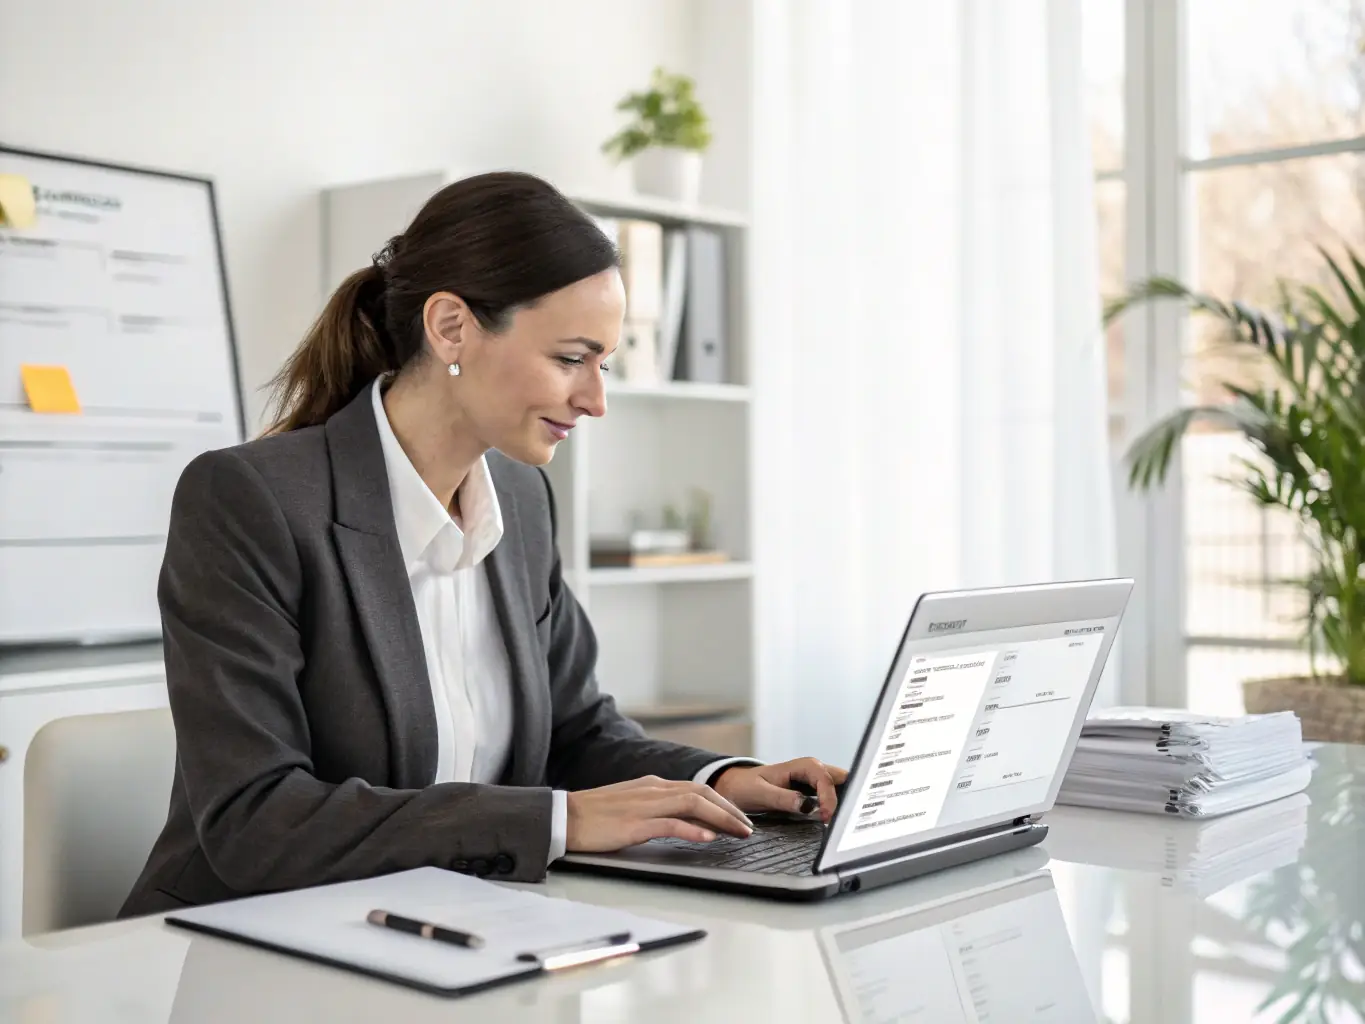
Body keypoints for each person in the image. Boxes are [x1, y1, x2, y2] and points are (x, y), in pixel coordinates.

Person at [121, 171, 845, 916]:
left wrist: (720, 779)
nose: (595, 400)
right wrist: (558, 821)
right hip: (241, 940)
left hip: (449, 922)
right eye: (570, 358)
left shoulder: (522, 501)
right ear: (451, 328)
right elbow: (256, 821)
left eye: (605, 364)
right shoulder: (250, 501)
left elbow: (575, 731)